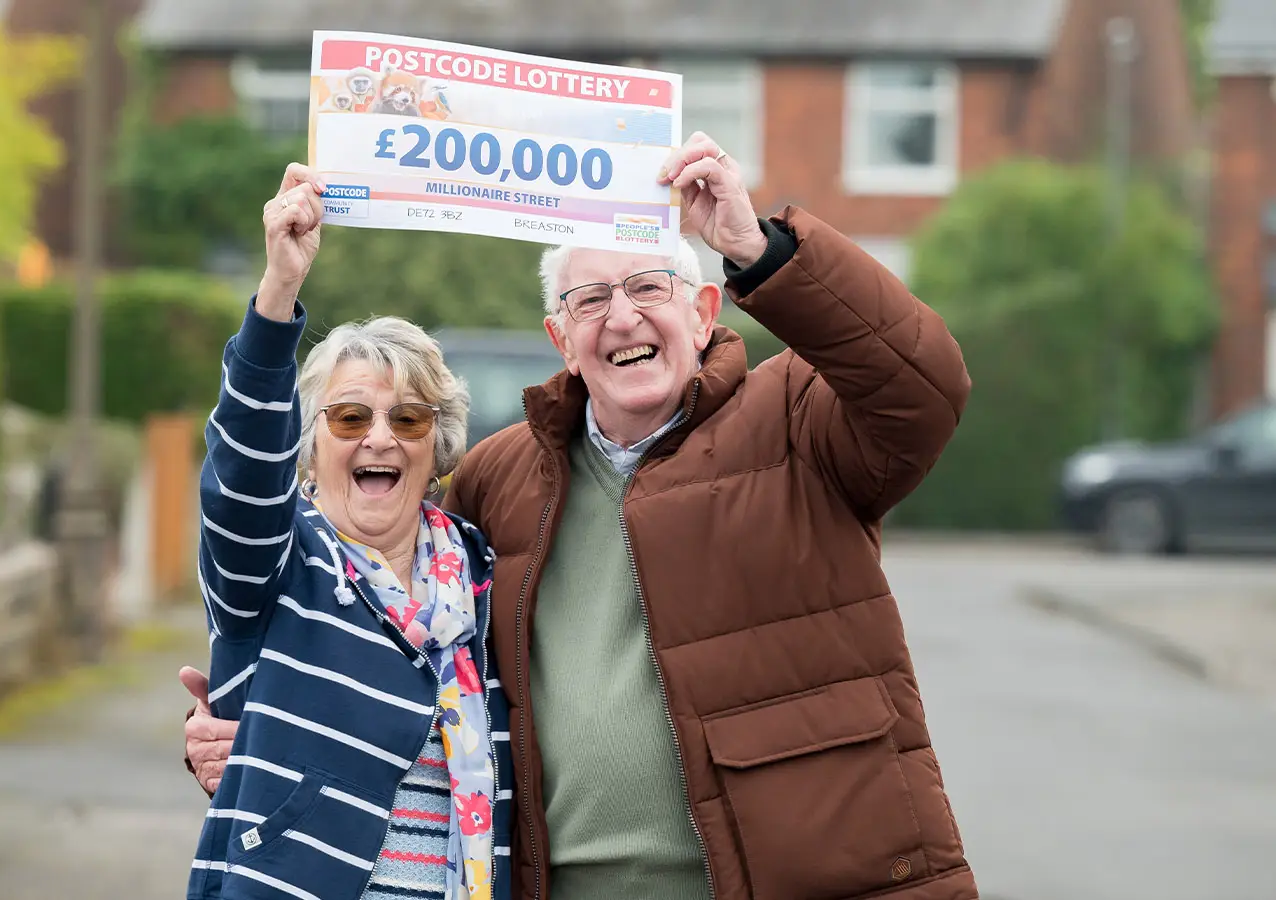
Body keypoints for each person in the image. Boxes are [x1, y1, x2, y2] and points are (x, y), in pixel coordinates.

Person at [185, 130, 978, 900]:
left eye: (647, 288)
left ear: (704, 313)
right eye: (591, 299)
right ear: (561, 339)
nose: (622, 317)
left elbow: (923, 389)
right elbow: (359, 615)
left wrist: (757, 248)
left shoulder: (796, 419)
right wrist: (254, 730)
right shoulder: (500, 485)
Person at [180, 161, 512, 900]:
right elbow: (240, 475)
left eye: (409, 419)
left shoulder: (480, 576)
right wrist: (279, 290)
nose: (380, 438)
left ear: (438, 447)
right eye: (351, 416)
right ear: (309, 444)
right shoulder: (277, 562)